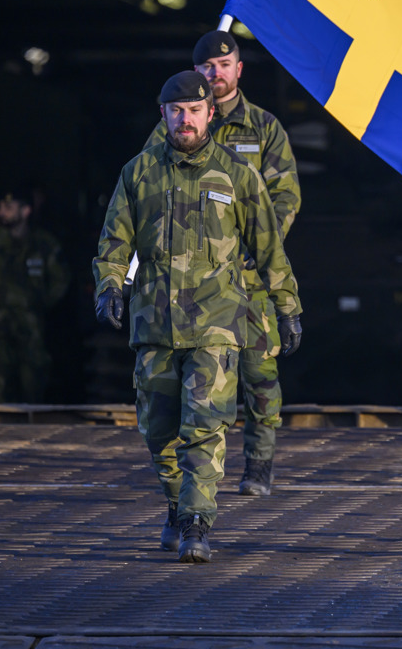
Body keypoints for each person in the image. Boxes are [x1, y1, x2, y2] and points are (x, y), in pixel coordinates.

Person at [93, 71, 302, 563]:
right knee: (158, 431)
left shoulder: (237, 175)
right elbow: (115, 241)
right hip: (154, 324)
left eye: (194, 110)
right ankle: (175, 502)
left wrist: (288, 307)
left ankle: (196, 523)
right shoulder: (138, 174)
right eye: (176, 110)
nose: (185, 119)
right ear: (162, 114)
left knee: (206, 425)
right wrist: (109, 287)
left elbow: (269, 248)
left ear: (211, 112)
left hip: (216, 324)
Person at [145, 30, 301, 496]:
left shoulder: (265, 128)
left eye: (224, 64)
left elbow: (285, 197)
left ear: (239, 69)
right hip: (193, 280)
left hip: (248, 277)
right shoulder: (177, 123)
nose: (216, 73)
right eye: (207, 67)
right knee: (191, 382)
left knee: (258, 372)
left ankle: (258, 463)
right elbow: (149, 186)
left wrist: (257, 246)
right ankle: (194, 477)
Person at [0, 186, 69, 402]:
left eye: (9, 207)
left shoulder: (43, 243)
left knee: (33, 380)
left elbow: (60, 279)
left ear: (25, 211)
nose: (2, 211)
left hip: (30, 324)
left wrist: (39, 302)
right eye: (2, 206)